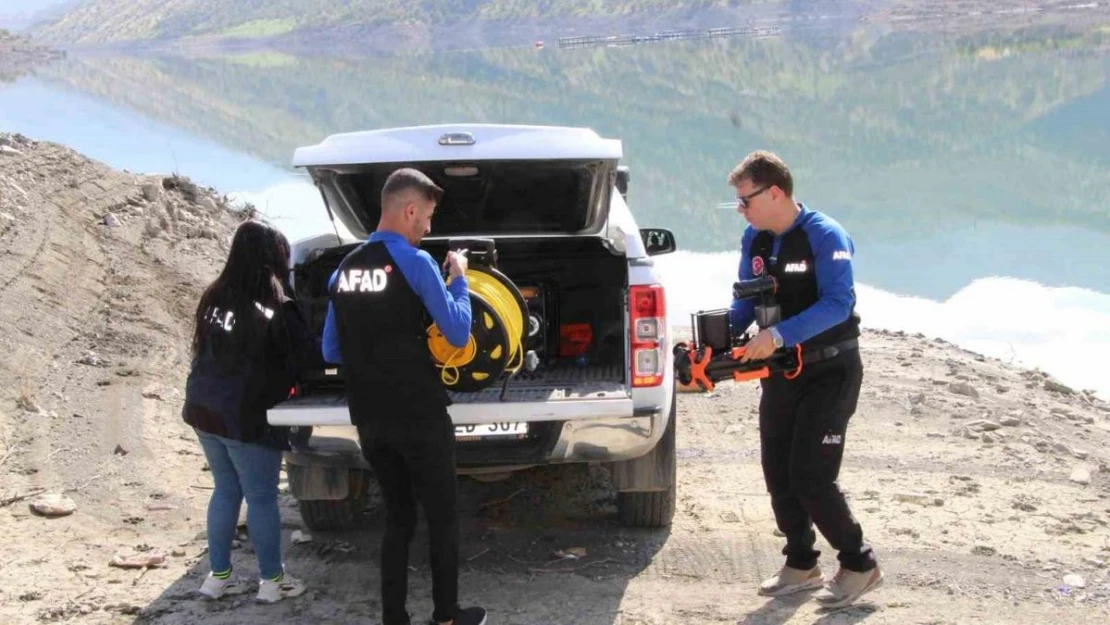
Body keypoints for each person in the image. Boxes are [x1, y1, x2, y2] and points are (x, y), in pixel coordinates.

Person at [321, 168, 487, 625]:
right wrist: (459, 278)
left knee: (397, 518)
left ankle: (394, 618)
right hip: (420, 414)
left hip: (371, 418)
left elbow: (330, 349)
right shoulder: (417, 263)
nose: (428, 228)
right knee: (441, 516)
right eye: (428, 217)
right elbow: (456, 332)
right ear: (410, 210)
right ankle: (446, 616)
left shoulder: (344, 269)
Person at [727, 150, 883, 608]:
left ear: (775, 192)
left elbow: (838, 303)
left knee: (811, 477)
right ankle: (801, 563)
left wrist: (777, 335)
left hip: (830, 370)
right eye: (737, 203)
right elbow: (746, 299)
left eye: (746, 200)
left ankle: (859, 564)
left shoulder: (824, 235)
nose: (742, 210)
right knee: (778, 471)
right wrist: (725, 335)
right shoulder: (753, 240)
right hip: (780, 373)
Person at [182, 219, 314, 603]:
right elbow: (306, 359)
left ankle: (218, 577)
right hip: (246, 417)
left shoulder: (213, 296)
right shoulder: (277, 307)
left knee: (225, 489)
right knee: (261, 498)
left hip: (203, 409)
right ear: (275, 259)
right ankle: (272, 582)